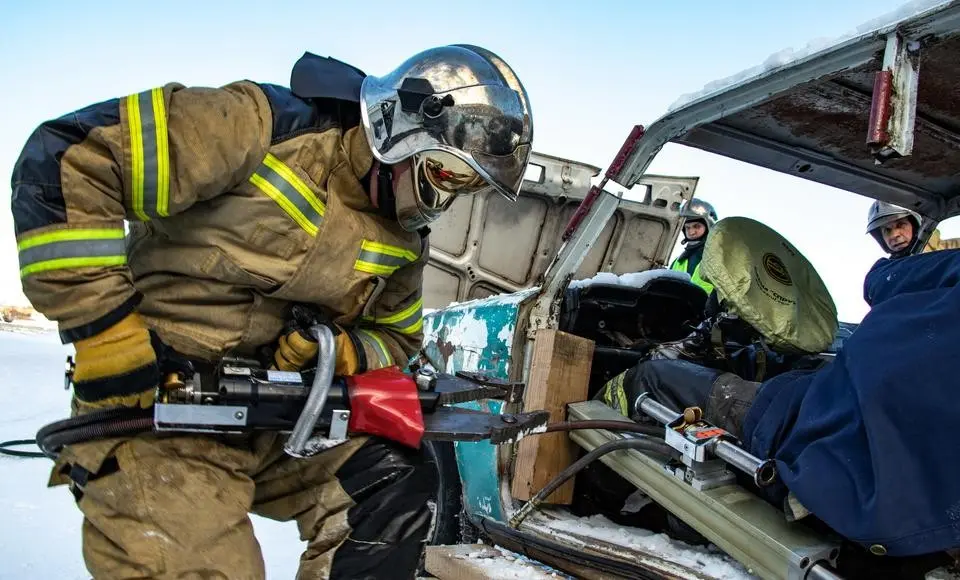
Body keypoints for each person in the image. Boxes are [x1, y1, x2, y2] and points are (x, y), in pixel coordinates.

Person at [9, 45, 533, 579]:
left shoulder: (405, 239)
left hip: (281, 424)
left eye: (464, 187)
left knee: (397, 484)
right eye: (445, 174)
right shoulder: (259, 126)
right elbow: (71, 158)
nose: (442, 201)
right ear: (397, 129)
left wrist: (343, 350)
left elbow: (398, 338)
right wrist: (104, 332)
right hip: (160, 411)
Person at [600, 249, 960, 559]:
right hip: (913, 519)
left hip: (817, 443)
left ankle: (593, 509)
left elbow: (882, 279)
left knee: (648, 379)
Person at [866, 200, 960, 257]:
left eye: (900, 224)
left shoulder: (954, 249)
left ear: (915, 226)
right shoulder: (884, 272)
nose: (894, 235)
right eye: (887, 230)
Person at [669, 198, 718, 294]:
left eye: (697, 226)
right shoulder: (678, 262)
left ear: (708, 226)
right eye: (687, 227)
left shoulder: (718, 258)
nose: (691, 232)